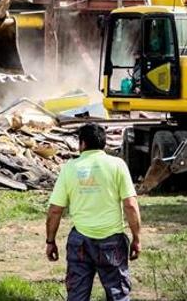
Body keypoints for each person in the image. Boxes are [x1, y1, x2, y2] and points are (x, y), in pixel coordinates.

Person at [45, 124, 142, 301]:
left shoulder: (69, 168)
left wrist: (50, 241)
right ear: (103, 143)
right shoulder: (117, 165)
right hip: (112, 241)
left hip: (80, 242)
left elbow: (55, 210)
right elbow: (130, 205)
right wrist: (136, 238)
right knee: (118, 294)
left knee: (77, 296)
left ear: (81, 144)